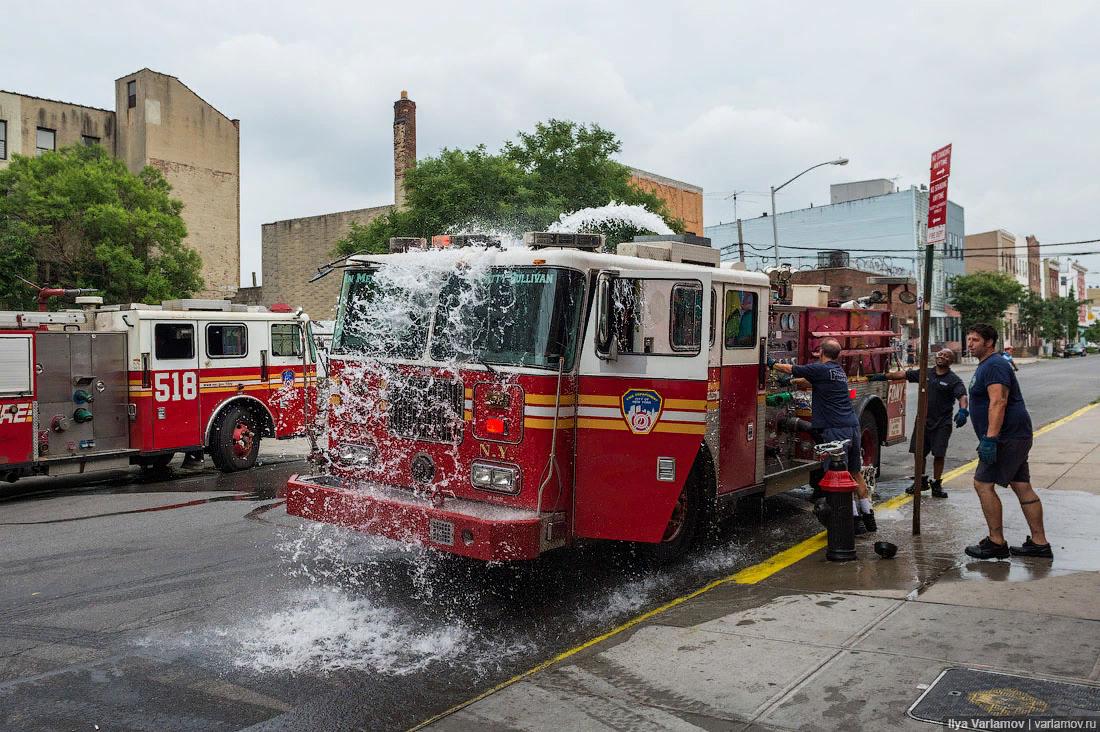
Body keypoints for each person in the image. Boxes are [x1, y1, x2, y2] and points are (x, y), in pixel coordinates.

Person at [963, 323, 1052, 559]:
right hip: (1013, 435)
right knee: (1022, 485)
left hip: (1007, 436)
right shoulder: (988, 365)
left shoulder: (994, 365)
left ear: (989, 343)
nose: (969, 344)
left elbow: (998, 402)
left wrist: (990, 439)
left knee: (982, 484)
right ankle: (1039, 543)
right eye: (968, 340)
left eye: (974, 340)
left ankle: (996, 542)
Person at [770, 338, 876, 533]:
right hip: (852, 426)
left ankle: (853, 519)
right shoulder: (837, 372)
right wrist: (792, 382)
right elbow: (810, 379)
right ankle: (868, 516)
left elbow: (789, 368)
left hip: (836, 430)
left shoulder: (820, 369)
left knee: (839, 477)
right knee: (856, 474)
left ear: (820, 352)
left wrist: (770, 363)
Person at [873, 349, 968, 498]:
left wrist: (963, 410)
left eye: (946, 355)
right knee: (919, 453)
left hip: (942, 423)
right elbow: (903, 375)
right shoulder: (925, 373)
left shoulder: (953, 379)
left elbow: (962, 395)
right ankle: (920, 481)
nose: (941, 356)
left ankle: (936, 484)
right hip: (922, 421)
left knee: (939, 454)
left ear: (951, 361)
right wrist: (882, 376)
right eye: (940, 354)